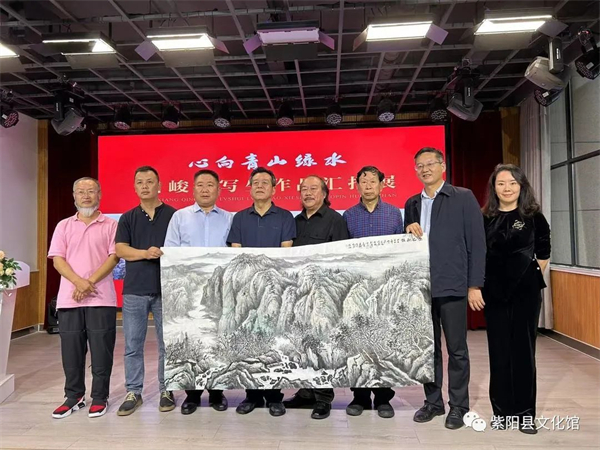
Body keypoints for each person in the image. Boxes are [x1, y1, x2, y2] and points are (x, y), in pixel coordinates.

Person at [404, 147, 486, 430]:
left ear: (442, 166)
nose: (425, 169)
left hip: (452, 284)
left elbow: (477, 242)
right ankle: (433, 402)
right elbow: (408, 244)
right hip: (421, 288)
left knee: (457, 349)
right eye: (419, 165)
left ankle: (459, 406)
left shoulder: (462, 197)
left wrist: (474, 285)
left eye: (430, 163)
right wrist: (407, 230)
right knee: (428, 350)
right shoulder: (412, 203)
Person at [481, 164, 550, 434]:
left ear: (521, 186)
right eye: (501, 183)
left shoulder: (534, 217)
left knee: (523, 353)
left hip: (526, 294)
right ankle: (501, 413)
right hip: (493, 293)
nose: (507, 188)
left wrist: (524, 277)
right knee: (498, 353)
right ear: (493, 188)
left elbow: (543, 253)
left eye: (512, 183)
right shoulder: (485, 218)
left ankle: (525, 414)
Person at [227, 167, 296, 417]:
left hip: (273, 287)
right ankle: (252, 395)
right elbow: (236, 251)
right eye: (255, 182)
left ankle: (275, 396)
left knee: (274, 337)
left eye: (265, 182)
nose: (259, 186)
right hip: (247, 288)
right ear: (250, 187)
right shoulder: (240, 218)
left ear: (274, 188)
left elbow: (286, 251)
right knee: (248, 335)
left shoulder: (285, 217)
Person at [48, 177, 119, 419]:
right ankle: (74, 396)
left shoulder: (111, 225)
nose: (86, 196)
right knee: (71, 353)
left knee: (101, 352)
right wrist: (78, 282)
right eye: (81, 191)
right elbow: (57, 259)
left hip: (101, 299)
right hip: (69, 299)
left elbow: (113, 257)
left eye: (91, 191)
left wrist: (89, 283)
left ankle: (100, 397)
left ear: (100, 194)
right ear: (74, 196)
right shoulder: (64, 226)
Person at [164, 169, 233, 414]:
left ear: (218, 189)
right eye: (200, 185)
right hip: (189, 285)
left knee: (216, 336)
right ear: (192, 189)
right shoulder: (179, 217)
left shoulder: (230, 218)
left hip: (218, 287)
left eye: (210, 185)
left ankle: (217, 392)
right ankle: (191, 395)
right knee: (191, 335)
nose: (205, 189)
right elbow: (170, 251)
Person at [283, 175, 349, 420]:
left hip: (323, 294)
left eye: (313, 189)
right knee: (302, 343)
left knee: (322, 342)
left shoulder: (335, 220)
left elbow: (341, 259)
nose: (308, 193)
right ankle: (306, 392)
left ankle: (323, 398)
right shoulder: (294, 222)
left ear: (324, 193)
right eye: (304, 189)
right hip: (300, 293)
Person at [115, 166, 177, 416]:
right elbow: (121, 249)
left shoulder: (174, 215)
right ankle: (134, 391)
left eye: (149, 181)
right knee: (132, 344)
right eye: (140, 182)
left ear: (159, 185)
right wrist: (145, 253)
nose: (145, 186)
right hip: (135, 290)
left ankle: (167, 389)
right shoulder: (127, 217)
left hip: (167, 289)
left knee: (167, 344)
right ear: (134, 187)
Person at [342, 165, 403, 419]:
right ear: (357, 186)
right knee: (358, 338)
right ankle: (360, 396)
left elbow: (400, 249)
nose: (368, 185)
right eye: (363, 181)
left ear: (382, 185)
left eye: (372, 181)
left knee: (384, 338)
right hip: (358, 287)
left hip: (384, 287)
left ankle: (383, 397)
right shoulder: (348, 215)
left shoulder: (393, 214)